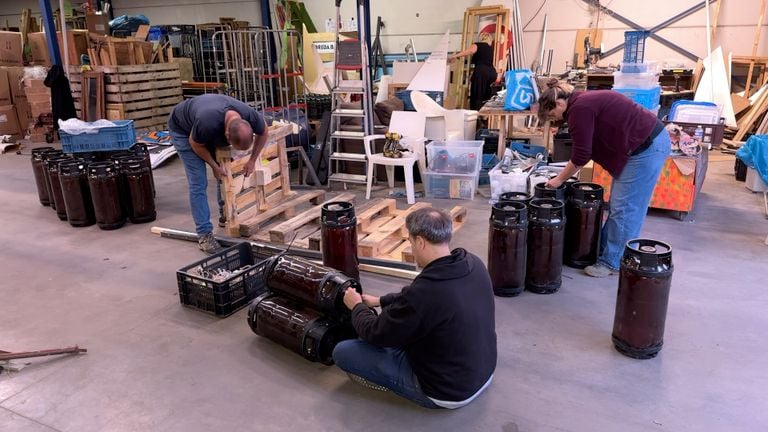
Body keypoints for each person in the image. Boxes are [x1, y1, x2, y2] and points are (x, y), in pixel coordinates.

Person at [333, 208, 497, 409]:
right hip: (482, 373)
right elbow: (417, 297)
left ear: (420, 242)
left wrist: (356, 306)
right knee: (403, 325)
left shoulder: (425, 293)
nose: (412, 249)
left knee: (344, 351)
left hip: (447, 391)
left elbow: (375, 333)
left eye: (411, 243)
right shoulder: (472, 263)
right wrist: (381, 300)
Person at [536, 79, 671, 277]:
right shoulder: (581, 103)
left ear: (559, 104)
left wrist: (559, 180)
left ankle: (613, 262)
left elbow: (581, 155)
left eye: (553, 115)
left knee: (625, 208)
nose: (556, 119)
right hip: (641, 145)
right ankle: (605, 250)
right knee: (620, 205)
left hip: (645, 148)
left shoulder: (579, 109)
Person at [168, 94, 269, 253]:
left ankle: (225, 214)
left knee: (224, 171)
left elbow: (264, 132)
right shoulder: (208, 122)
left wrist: (252, 160)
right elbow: (195, 143)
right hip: (183, 130)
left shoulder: (249, 115)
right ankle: (204, 235)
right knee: (198, 183)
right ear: (227, 135)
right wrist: (214, 165)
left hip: (205, 127)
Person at [449, 32, 499, 111]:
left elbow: (470, 51)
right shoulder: (490, 49)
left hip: (482, 72)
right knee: (485, 95)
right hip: (492, 72)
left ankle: (475, 116)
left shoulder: (477, 45)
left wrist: (455, 56)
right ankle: (484, 116)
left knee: (477, 94)